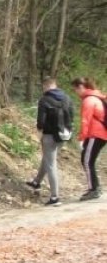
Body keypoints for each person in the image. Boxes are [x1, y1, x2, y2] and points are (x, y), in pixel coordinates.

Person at [26, 77, 73, 206]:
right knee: (47, 159)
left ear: (45, 87)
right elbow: (72, 115)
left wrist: (39, 132)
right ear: (55, 85)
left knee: (51, 164)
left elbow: (41, 121)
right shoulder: (67, 98)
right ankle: (36, 182)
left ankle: (55, 197)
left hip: (49, 136)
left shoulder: (44, 100)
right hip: (63, 135)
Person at [71, 77, 107, 201]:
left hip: (95, 134)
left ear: (81, 87)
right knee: (88, 160)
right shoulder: (97, 97)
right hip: (100, 134)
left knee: (87, 161)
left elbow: (85, 121)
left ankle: (94, 189)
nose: (75, 92)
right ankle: (95, 187)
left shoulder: (89, 100)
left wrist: (82, 138)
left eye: (75, 89)